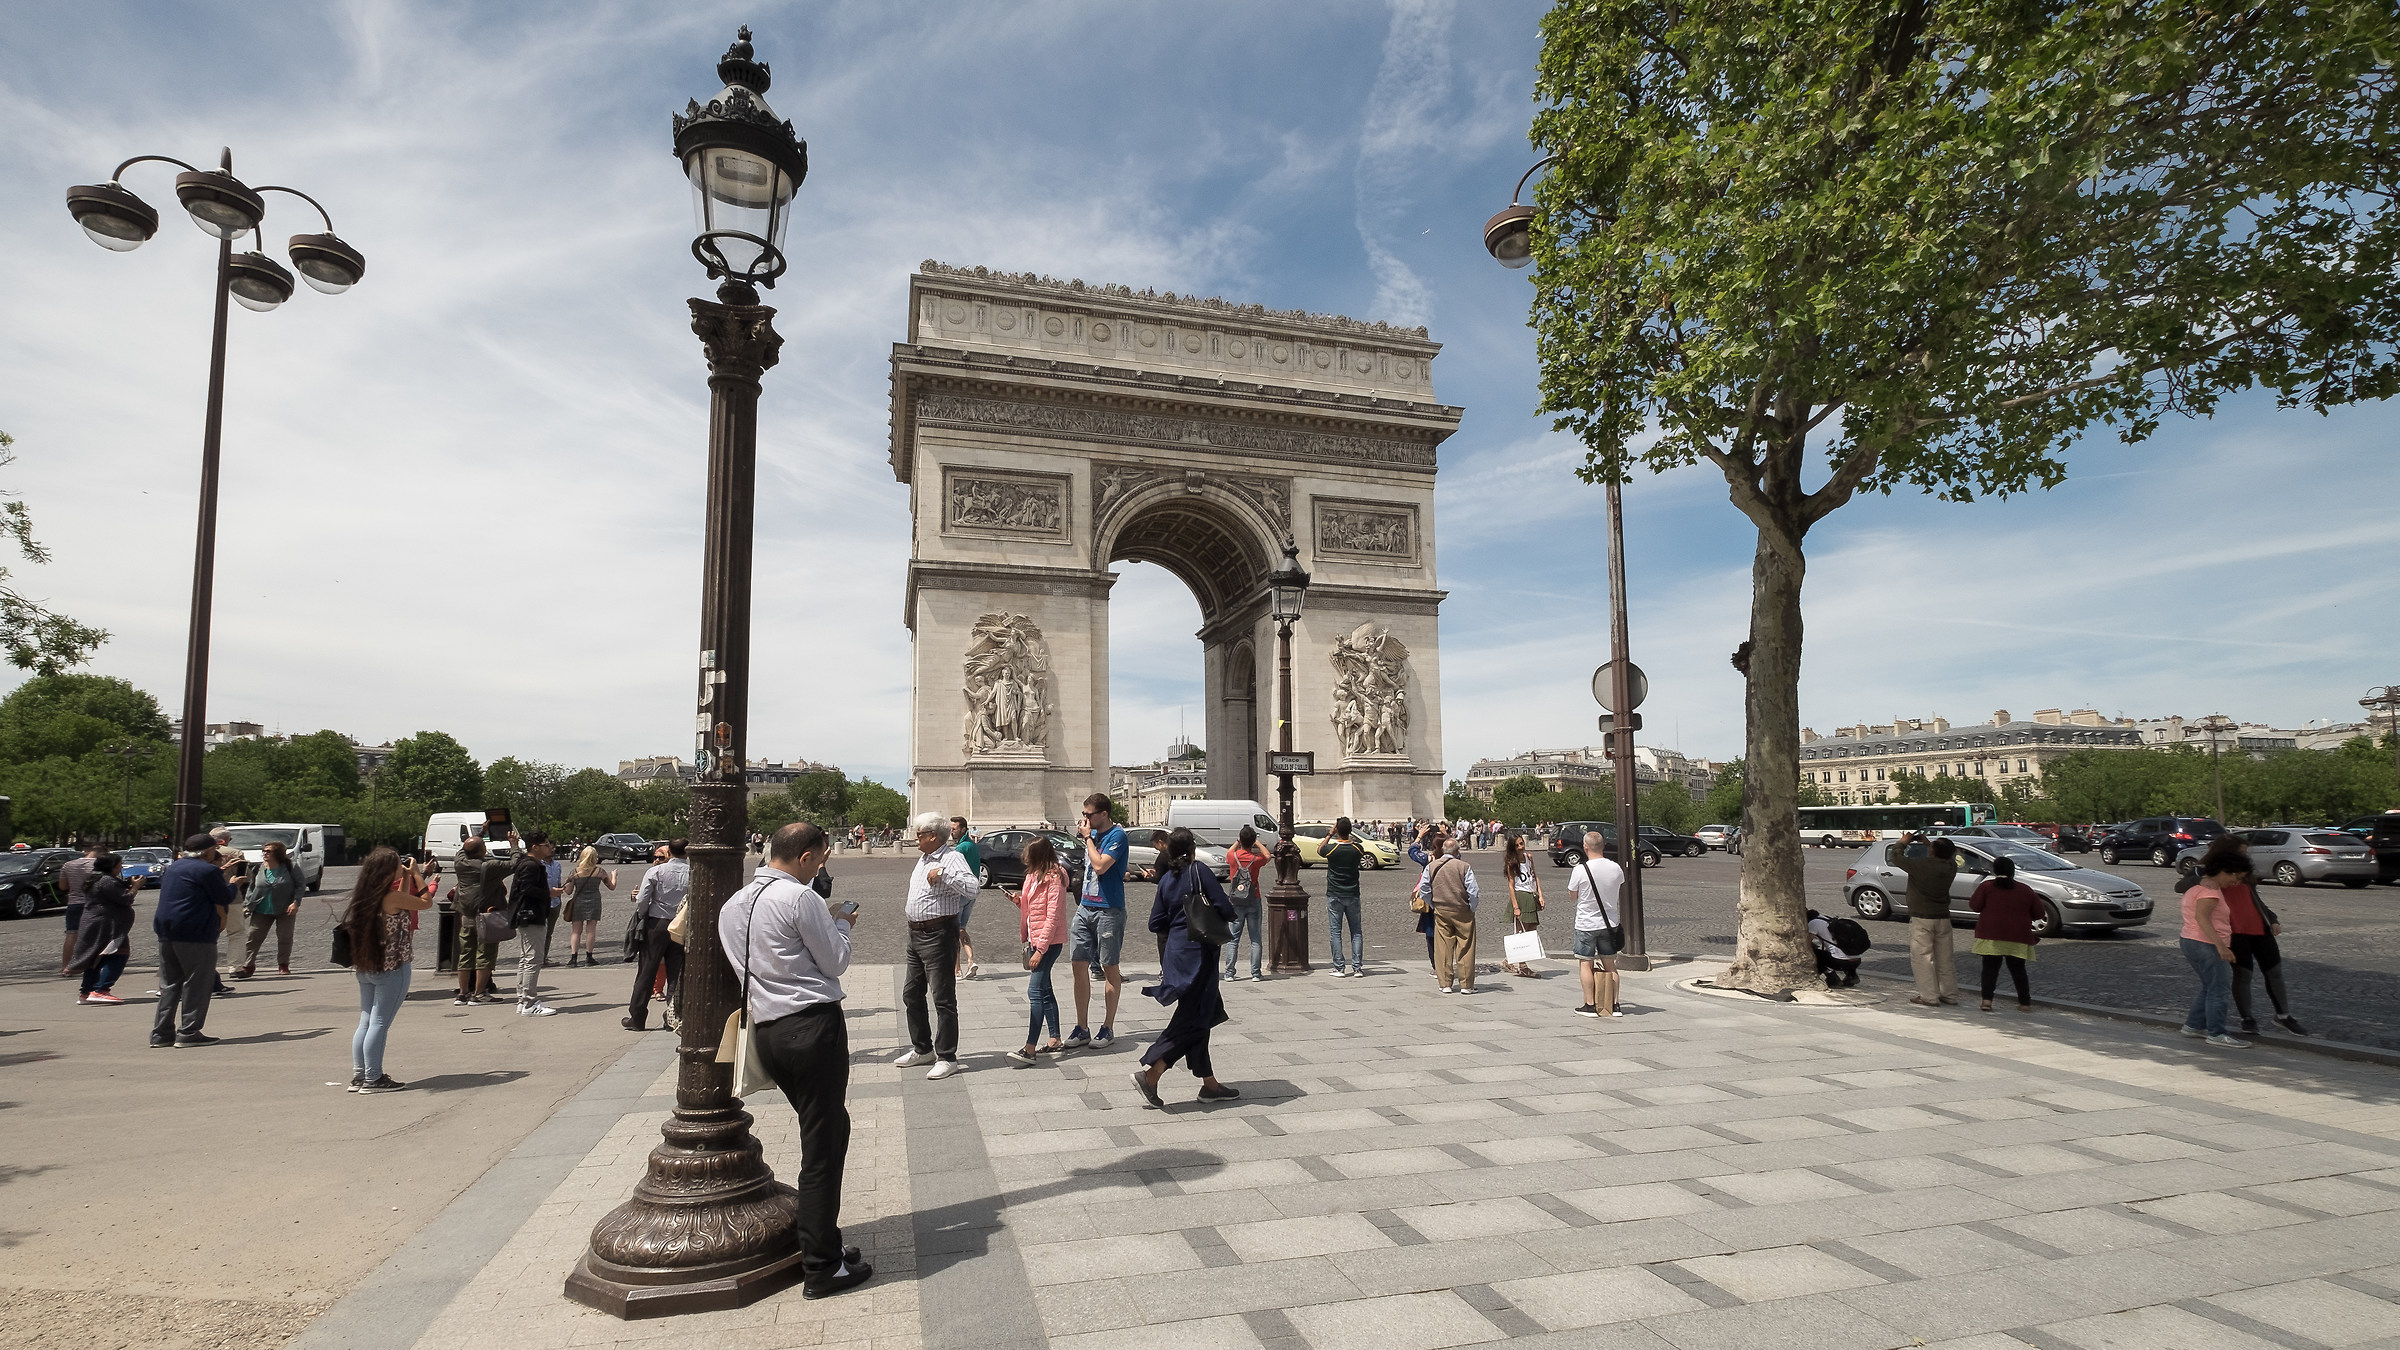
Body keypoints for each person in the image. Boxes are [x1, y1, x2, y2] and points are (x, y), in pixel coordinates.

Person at [722, 822, 871, 1299]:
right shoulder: (800, 898)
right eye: (821, 859)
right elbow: (833, 962)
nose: (821, 867)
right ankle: (822, 1266)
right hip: (810, 1027)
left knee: (827, 1130)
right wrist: (842, 923)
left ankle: (825, 1239)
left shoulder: (733, 904)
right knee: (823, 1144)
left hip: (767, 1030)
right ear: (805, 857)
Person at [1130, 828, 1240, 1107]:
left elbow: (1155, 923)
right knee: (1196, 1018)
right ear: (1192, 849)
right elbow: (1224, 907)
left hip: (1176, 955)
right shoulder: (1199, 871)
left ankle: (1209, 1084)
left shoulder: (1166, 879)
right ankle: (1152, 1073)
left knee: (1207, 1012)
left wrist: (1178, 922)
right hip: (1199, 955)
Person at [344, 847, 433, 1092]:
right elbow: (426, 903)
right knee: (380, 1023)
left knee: (366, 1021)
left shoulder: (369, 895)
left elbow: (401, 901)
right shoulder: (390, 897)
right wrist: (416, 874)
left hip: (367, 965)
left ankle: (360, 1075)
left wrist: (404, 877)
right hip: (393, 967)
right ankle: (374, 1078)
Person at [896, 812, 978, 1079]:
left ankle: (947, 1056)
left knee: (942, 998)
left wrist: (943, 874)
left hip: (939, 934)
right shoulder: (922, 859)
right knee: (911, 993)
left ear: (933, 836)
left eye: (919, 834)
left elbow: (972, 887)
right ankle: (922, 1049)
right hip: (916, 935)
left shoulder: (951, 858)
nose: (916, 838)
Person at [151, 834, 236, 1047]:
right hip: (195, 931)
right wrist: (234, 884)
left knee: (169, 984)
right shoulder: (207, 870)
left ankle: (161, 1033)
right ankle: (189, 1032)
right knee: (197, 983)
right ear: (207, 852)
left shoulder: (174, 867)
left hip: (167, 929)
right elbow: (223, 898)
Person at [2215, 852, 2308, 1037]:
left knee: (2275, 972)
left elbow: (2256, 902)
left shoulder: (2245, 878)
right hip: (2235, 934)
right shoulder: (2214, 876)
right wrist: (2202, 870)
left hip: (2260, 930)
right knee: (2244, 975)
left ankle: (2283, 1015)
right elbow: (2182, 886)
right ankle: (2247, 1018)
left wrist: (2272, 918)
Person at [1065, 793, 1129, 1049]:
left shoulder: (1117, 836)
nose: (1085, 819)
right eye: (1084, 814)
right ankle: (1082, 1027)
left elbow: (1101, 866)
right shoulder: (1093, 837)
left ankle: (1108, 1027)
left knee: (1108, 967)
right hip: (1085, 907)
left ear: (1103, 814)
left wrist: (1089, 839)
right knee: (1077, 964)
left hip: (1108, 910)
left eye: (1088, 814)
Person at [1004, 835, 1070, 1065]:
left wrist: (1040, 950)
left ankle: (1030, 1048)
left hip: (1048, 943)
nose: (1026, 863)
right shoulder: (1033, 875)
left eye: (1030, 859)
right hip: (1036, 939)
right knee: (1045, 989)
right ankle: (1055, 1039)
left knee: (1035, 992)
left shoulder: (1055, 878)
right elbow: (1035, 908)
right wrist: (1019, 901)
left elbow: (1053, 916)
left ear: (1039, 858)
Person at [2178, 843, 2249, 1047]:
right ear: (2224, 871)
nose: (2237, 882)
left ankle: (2193, 1026)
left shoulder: (2197, 887)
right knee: (2219, 989)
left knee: (2209, 987)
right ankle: (2217, 1032)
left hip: (2191, 940)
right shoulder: (2210, 893)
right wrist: (2221, 946)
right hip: (2205, 943)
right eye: (2236, 876)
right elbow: (2202, 918)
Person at [1889, 832, 1961, 1007]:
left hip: (1922, 917)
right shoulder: (1951, 866)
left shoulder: (1921, 866)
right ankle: (1949, 994)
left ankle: (1929, 996)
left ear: (1932, 851)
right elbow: (1945, 856)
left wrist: (1903, 842)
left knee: (1923, 957)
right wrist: (1931, 844)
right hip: (1943, 916)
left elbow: (1896, 857)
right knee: (1945, 958)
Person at [626, 838, 688, 1030]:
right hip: (680, 923)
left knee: (646, 971)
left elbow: (642, 899)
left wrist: (642, 915)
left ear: (669, 853)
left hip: (656, 923)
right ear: (687, 853)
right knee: (676, 973)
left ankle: (637, 1017)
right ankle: (673, 1016)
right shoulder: (692, 873)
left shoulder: (656, 871)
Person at [1968, 855, 2041, 1012]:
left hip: (1991, 935)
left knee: (1990, 970)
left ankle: (1987, 1001)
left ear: (1995, 871)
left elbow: (1975, 906)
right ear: (2013, 871)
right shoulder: (2025, 889)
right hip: (2018, 936)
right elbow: (2039, 913)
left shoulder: (1986, 887)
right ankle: (2024, 1003)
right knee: (2018, 971)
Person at [1568, 829, 1625, 1017]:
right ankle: (1614, 1005)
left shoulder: (1580, 870)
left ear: (1585, 847)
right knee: (1610, 964)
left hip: (1586, 923)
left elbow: (1572, 896)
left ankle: (1590, 1004)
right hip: (1609, 923)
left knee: (1585, 963)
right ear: (1603, 846)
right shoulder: (1615, 868)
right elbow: (1618, 886)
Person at [69, 852, 136, 1005]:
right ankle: (101, 989)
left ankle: (86, 992)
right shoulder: (106, 881)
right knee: (119, 954)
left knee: (95, 958)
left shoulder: (95, 878)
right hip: (108, 926)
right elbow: (125, 898)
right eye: (119, 865)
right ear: (111, 866)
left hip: (96, 923)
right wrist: (136, 887)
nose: (121, 867)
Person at [1420, 829, 1479, 994]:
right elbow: (1473, 890)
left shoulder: (1431, 866)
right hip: (1462, 909)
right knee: (1465, 946)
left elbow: (1424, 889)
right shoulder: (1464, 866)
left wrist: (1432, 904)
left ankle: (1445, 983)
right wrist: (1472, 907)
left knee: (1443, 946)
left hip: (1441, 909)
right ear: (1457, 851)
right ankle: (1466, 984)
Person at [233, 841, 304, 979]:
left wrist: (296, 902)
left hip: (285, 908)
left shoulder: (291, 867)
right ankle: (248, 965)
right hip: (261, 908)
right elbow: (252, 888)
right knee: (253, 937)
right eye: (264, 851)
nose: (265, 854)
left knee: (284, 937)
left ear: (277, 853)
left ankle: (283, 964)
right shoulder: (258, 868)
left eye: (268, 851)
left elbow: (300, 885)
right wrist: (247, 905)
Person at [509, 831, 562, 1017]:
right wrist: (549, 893)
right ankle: (529, 1001)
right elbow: (526, 889)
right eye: (546, 844)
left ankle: (523, 1000)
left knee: (526, 959)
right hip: (531, 915)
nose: (549, 847)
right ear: (535, 847)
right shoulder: (531, 865)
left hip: (529, 915)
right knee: (533, 959)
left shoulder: (528, 863)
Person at [450, 837, 504, 1005]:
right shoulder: (488, 867)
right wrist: (515, 845)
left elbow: (461, 850)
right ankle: (479, 994)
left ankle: (463, 993)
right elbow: (514, 863)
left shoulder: (459, 863)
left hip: (466, 915)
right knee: (485, 954)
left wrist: (481, 832)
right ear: (482, 850)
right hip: (485, 916)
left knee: (465, 954)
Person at [1222, 825, 1270, 981]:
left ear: (1241, 840)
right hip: (1253, 898)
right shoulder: (1256, 860)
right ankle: (1255, 973)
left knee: (1233, 939)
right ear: (1252, 841)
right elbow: (1267, 855)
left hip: (1235, 900)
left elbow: (1228, 852)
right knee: (1255, 938)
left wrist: (1237, 842)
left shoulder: (1233, 857)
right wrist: (1257, 842)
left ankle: (1229, 973)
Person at [1321, 817, 1368, 977]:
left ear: (1337, 831)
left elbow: (1320, 849)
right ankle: (1357, 968)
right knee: (1356, 932)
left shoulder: (1332, 850)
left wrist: (1330, 833)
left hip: (1335, 893)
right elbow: (1357, 844)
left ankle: (1339, 968)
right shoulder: (1358, 849)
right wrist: (1347, 832)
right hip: (1353, 893)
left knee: (1335, 932)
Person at [562, 845, 617, 968]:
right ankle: (589, 956)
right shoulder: (599, 871)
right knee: (591, 930)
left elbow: (568, 891)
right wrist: (614, 876)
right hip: (594, 901)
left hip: (578, 901)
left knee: (576, 931)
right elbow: (611, 886)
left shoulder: (575, 872)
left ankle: (573, 958)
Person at [1503, 834, 1544, 978]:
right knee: (1521, 932)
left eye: (1522, 843)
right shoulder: (1511, 862)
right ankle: (1522, 965)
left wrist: (1540, 894)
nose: (1521, 847)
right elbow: (1511, 885)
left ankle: (1511, 959)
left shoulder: (1529, 857)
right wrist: (1515, 906)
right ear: (1513, 848)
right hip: (1520, 895)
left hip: (1530, 894)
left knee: (1531, 930)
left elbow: (1534, 875)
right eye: (1518, 845)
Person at [57, 841, 98, 977]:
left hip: (74, 903)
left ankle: (66, 967)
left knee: (71, 934)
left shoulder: (68, 865)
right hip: (93, 903)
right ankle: (92, 966)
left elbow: (62, 886)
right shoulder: (99, 865)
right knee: (95, 936)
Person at [950, 816, 983, 981]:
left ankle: (957, 970)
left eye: (954, 828)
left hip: (960, 893)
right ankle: (971, 960)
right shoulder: (973, 845)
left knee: (954, 931)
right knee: (961, 928)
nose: (952, 831)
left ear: (963, 829)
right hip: (972, 893)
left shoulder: (961, 848)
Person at [1807, 910, 1863, 988]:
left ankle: (1833, 979)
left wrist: (1812, 944)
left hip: (1840, 962)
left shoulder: (1813, 923)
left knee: (1815, 953)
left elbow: (1806, 943)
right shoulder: (1828, 919)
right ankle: (1852, 976)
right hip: (1857, 961)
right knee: (1843, 950)